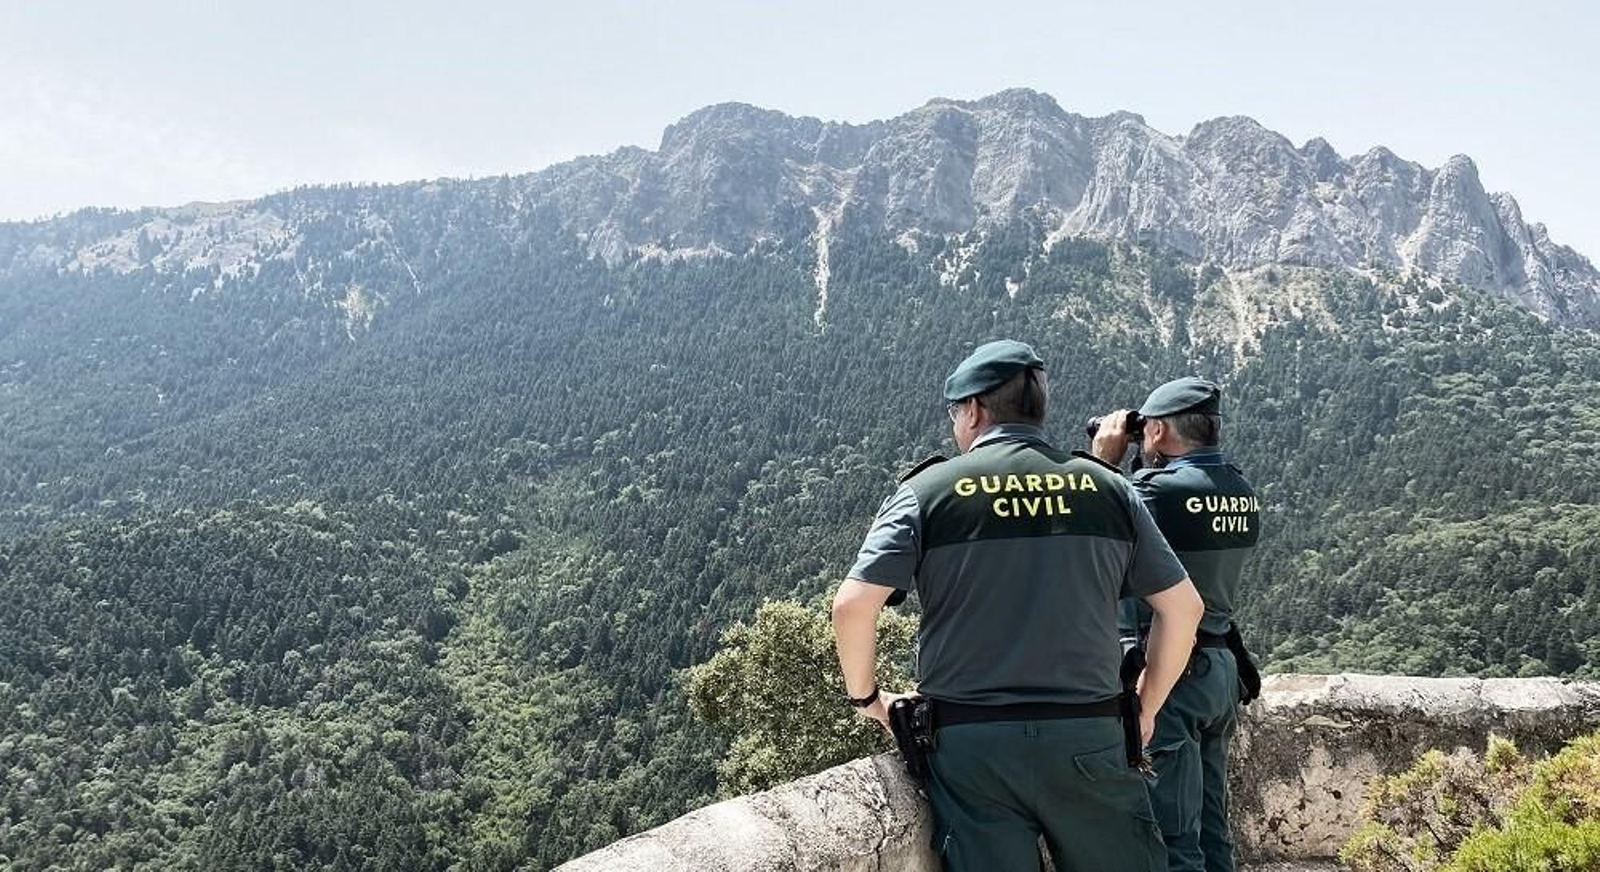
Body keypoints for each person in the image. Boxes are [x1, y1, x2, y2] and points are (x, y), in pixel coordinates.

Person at [832, 339, 1205, 872]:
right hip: (1090, 731)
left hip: (970, 744)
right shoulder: (1108, 488)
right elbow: (1184, 608)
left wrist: (867, 699)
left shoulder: (927, 491)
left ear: (974, 411)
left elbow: (852, 607)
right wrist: (1145, 707)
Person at [1091, 377, 1263, 872]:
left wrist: (1105, 457)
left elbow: (1090, 521)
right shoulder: (1241, 490)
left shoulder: (1156, 491)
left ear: (1160, 430)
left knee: (1173, 835)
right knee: (1213, 827)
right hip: (1221, 670)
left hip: (1170, 675)